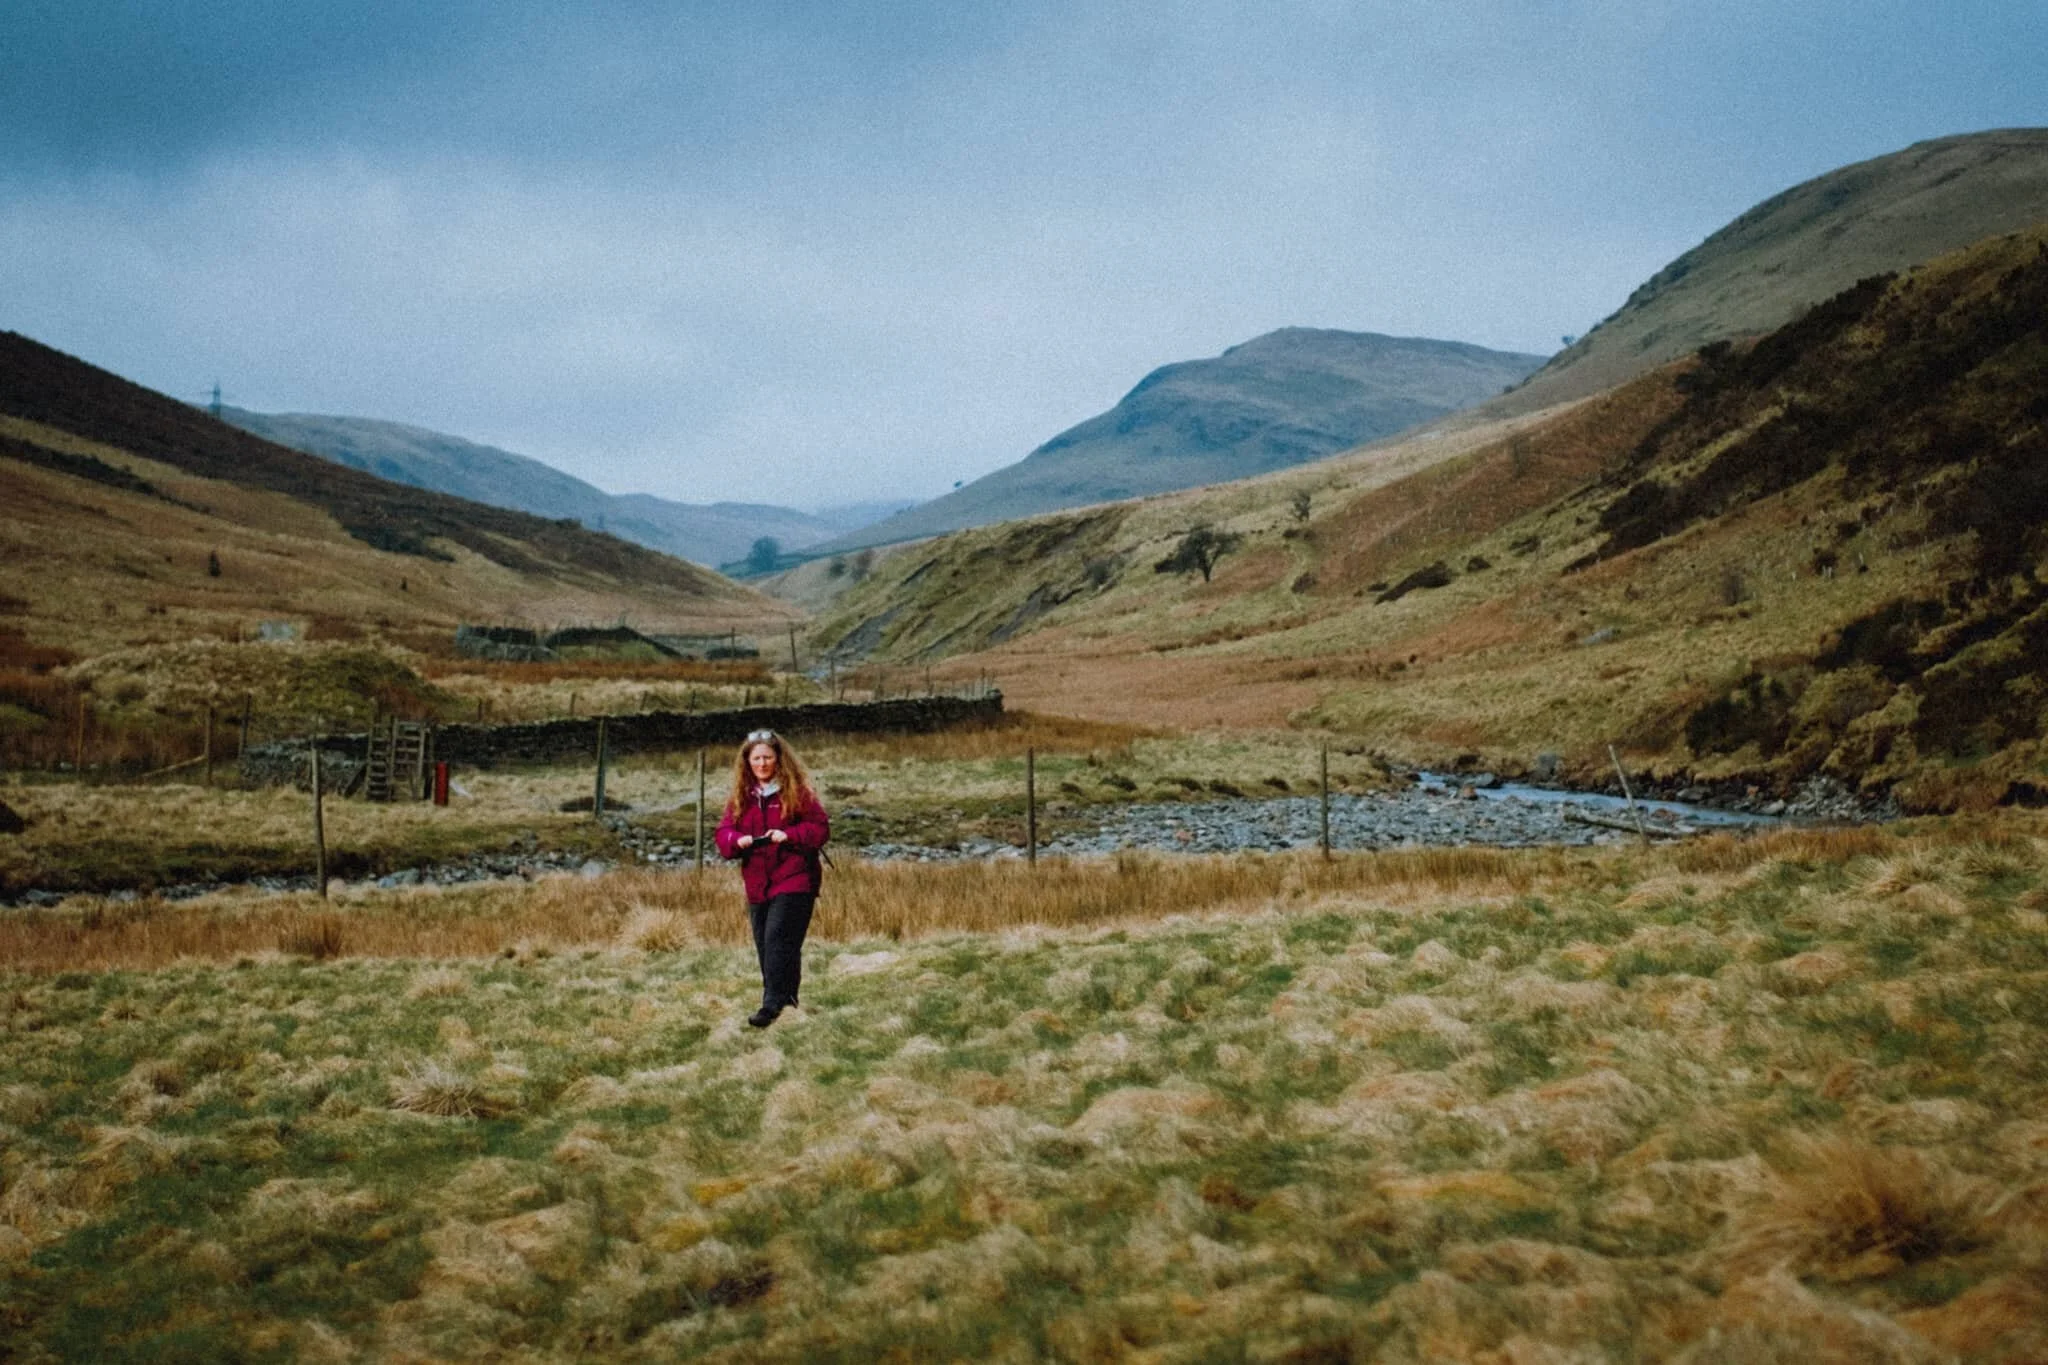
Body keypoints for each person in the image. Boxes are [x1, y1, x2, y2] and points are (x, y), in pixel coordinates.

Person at [714, 729, 830, 1028]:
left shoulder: (798, 793)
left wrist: (787, 835)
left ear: (779, 760)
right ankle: (788, 1003)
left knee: (778, 938)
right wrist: (737, 840)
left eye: (768, 757)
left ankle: (770, 1005)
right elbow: (723, 834)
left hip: (795, 877)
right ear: (747, 762)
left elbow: (819, 830)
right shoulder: (742, 797)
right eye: (757, 759)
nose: (763, 764)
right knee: (770, 945)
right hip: (757, 882)